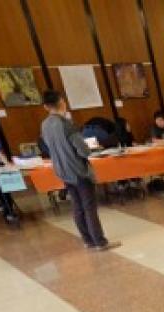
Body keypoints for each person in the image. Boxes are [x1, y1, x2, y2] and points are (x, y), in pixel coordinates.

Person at [41, 90, 120, 251]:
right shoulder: (66, 124)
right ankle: (99, 241)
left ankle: (88, 240)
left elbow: (49, 147)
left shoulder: (45, 125)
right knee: (89, 206)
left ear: (45, 106)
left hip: (62, 170)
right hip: (78, 170)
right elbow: (83, 150)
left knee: (77, 207)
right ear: (62, 102)